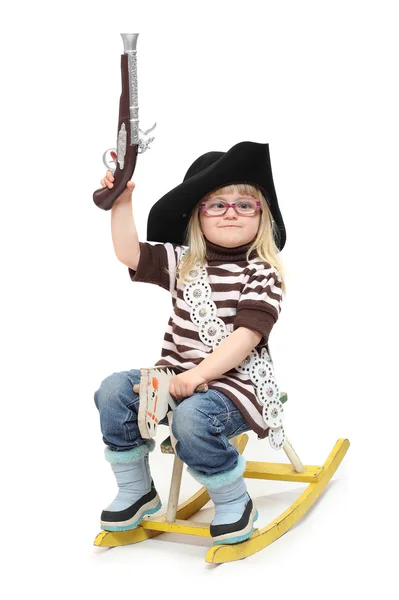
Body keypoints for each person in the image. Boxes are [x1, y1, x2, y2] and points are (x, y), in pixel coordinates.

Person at [94, 141, 287, 546]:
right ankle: (138, 490)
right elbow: (128, 253)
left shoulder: (263, 273)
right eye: (217, 205)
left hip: (235, 388)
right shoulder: (184, 262)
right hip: (177, 379)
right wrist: (122, 201)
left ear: (262, 217)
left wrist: (199, 375)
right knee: (114, 391)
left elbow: (245, 337)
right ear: (198, 217)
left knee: (193, 419)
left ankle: (234, 501)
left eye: (244, 205)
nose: (231, 212)